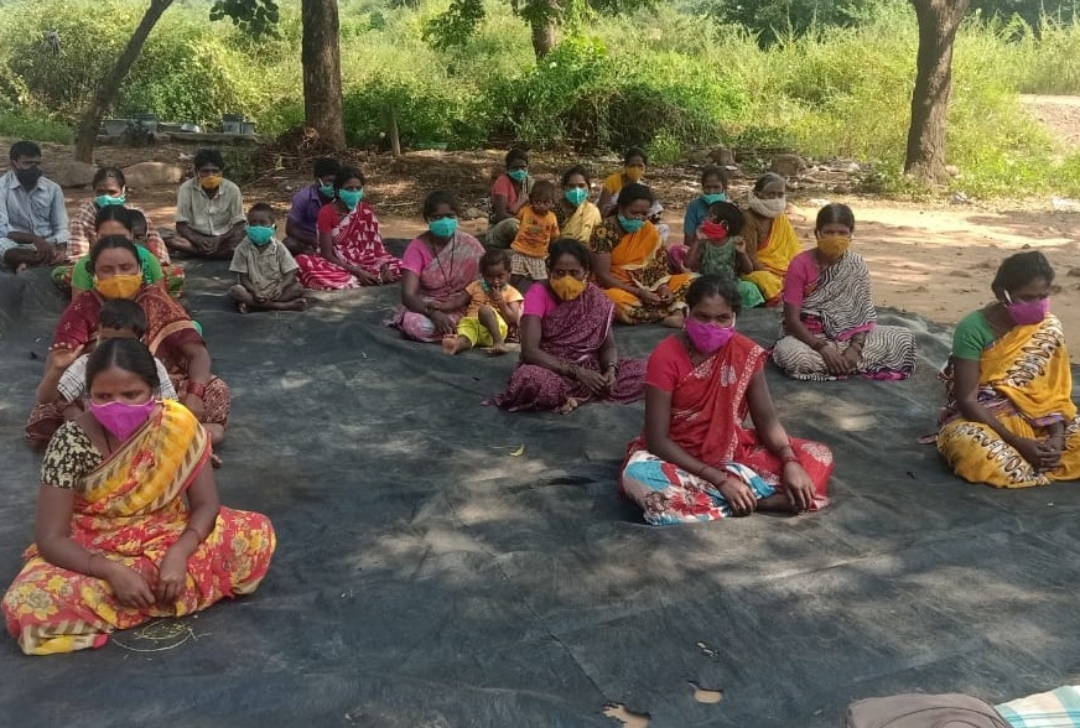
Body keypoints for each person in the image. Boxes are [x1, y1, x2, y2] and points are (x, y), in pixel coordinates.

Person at [3, 338, 275, 655]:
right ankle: (160, 592)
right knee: (26, 603)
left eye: (131, 394)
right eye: (103, 396)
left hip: (166, 535)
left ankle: (138, 595)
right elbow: (51, 538)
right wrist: (111, 571)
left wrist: (179, 554)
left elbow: (205, 506)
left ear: (153, 391)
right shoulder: (69, 441)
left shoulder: (177, 423)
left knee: (255, 533)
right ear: (88, 395)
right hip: (95, 545)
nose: (118, 404)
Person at [621, 275, 833, 525]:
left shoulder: (745, 352)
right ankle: (759, 501)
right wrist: (719, 480)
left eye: (722, 318)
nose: (712, 326)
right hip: (675, 458)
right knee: (639, 478)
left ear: (734, 318)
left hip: (730, 452)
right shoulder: (665, 356)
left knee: (818, 455)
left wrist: (790, 461)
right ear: (687, 313)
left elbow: (766, 419)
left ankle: (724, 500)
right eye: (702, 316)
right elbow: (657, 440)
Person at [48, 236, 231, 448]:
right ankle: (178, 442)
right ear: (94, 273)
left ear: (140, 269)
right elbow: (61, 369)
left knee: (216, 389)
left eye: (126, 268)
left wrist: (195, 396)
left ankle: (107, 444)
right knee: (53, 403)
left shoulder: (156, 300)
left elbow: (197, 353)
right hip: (96, 393)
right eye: (107, 270)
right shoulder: (83, 307)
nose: (118, 276)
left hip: (150, 391)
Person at [934, 251, 1080, 488]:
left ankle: (1041, 458)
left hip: (1042, 421)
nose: (1038, 306)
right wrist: (1017, 442)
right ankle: (1036, 462)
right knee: (970, 448)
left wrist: (1057, 436)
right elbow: (968, 400)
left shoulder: (1048, 327)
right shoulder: (973, 327)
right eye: (1027, 298)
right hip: (986, 419)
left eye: (1043, 297)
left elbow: (1053, 395)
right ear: (1002, 293)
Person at [487, 239, 646, 413]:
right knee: (531, 381)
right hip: (550, 368)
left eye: (574, 273)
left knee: (648, 372)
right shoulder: (538, 293)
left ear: (586, 272)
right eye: (560, 272)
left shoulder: (595, 298)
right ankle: (571, 397)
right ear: (549, 271)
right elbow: (530, 351)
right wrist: (577, 373)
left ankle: (576, 398)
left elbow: (608, 345)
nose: (566, 279)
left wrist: (610, 370)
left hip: (591, 369)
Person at [772, 204, 916, 381]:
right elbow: (792, 320)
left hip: (849, 338)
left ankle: (844, 363)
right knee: (789, 354)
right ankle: (846, 365)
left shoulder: (856, 264)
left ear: (851, 235)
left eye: (842, 233)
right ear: (817, 233)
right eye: (829, 232)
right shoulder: (800, 265)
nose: (835, 238)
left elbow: (862, 315)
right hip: (809, 339)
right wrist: (823, 348)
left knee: (903, 338)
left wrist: (855, 349)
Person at [32, 299, 178, 432]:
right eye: (106, 339)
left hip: (143, 434)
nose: (113, 347)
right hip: (97, 434)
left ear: (141, 340)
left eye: (123, 341)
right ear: (98, 335)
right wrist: (58, 369)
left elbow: (171, 407)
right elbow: (46, 398)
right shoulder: (87, 363)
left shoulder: (152, 365)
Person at [589, 183, 693, 326]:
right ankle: (673, 310)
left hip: (651, 285)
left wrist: (663, 288)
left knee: (693, 280)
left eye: (644, 214)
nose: (639, 219)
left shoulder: (648, 229)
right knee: (613, 301)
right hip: (618, 287)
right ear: (620, 208)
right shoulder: (603, 231)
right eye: (634, 213)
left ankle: (674, 311)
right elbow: (603, 276)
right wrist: (639, 292)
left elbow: (658, 265)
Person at [392, 190, 486, 342]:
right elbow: (408, 296)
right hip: (429, 306)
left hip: (465, 303)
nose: (445, 221)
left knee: (492, 314)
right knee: (417, 325)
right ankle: (468, 334)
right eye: (437, 217)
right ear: (427, 219)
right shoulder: (417, 248)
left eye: (450, 216)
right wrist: (434, 314)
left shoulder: (469, 244)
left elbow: (486, 279)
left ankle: (464, 331)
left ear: (457, 217)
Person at [295, 165, 400, 290]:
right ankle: (363, 277)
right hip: (338, 262)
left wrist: (384, 267)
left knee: (402, 266)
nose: (354, 192)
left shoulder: (365, 210)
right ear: (338, 190)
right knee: (302, 262)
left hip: (366, 260)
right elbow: (327, 254)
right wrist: (357, 271)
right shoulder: (326, 212)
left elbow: (377, 249)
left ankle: (367, 277)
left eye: (358, 188)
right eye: (349, 189)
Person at [56, 206, 181, 299]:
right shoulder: (84, 267)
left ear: (131, 235)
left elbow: (160, 302)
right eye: (106, 269)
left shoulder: (148, 260)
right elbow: (79, 310)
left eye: (125, 268)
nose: (113, 243)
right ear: (96, 236)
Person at [64, 166, 170, 266]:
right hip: (98, 268)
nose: (106, 196)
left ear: (123, 190)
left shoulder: (136, 213)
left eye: (112, 192)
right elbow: (77, 257)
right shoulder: (85, 214)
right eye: (100, 192)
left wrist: (159, 266)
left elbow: (155, 242)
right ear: (93, 190)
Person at [0, 140, 69, 271]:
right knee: (2, 246)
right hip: (17, 245)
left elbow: (61, 226)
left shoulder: (53, 189)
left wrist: (61, 249)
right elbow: (3, 229)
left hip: (48, 243)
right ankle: (37, 261)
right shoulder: (2, 189)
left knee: (71, 246)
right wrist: (35, 240)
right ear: (13, 164)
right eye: (27, 163)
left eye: (37, 163)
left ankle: (30, 262)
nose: (34, 168)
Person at [443, 249, 523, 356]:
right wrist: (439, 306)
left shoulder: (511, 292)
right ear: (483, 275)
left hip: (495, 331)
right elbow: (458, 302)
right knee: (465, 334)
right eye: (490, 276)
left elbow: (512, 319)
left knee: (485, 310)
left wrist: (501, 302)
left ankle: (499, 343)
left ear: (509, 274)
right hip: (472, 324)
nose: (495, 281)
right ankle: (456, 344)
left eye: (500, 276)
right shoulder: (476, 285)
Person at [228, 203, 306, 313]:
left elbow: (291, 272)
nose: (258, 227)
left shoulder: (279, 247)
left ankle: (253, 305)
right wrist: (255, 291)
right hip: (251, 291)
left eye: (263, 223)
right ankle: (282, 306)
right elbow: (243, 277)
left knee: (298, 288)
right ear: (248, 225)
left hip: (275, 291)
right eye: (253, 224)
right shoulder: (242, 248)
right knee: (235, 291)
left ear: (273, 225)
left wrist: (281, 287)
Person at [684, 201, 764, 308]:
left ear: (724, 224)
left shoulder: (735, 243)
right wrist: (697, 241)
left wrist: (742, 253)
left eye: (710, 216)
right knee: (688, 282)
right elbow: (687, 264)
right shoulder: (704, 242)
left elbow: (748, 270)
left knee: (749, 288)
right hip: (706, 285)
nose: (705, 219)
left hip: (731, 285)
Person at [169, 148, 246, 259]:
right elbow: (181, 224)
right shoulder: (186, 188)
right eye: (205, 171)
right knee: (165, 236)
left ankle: (197, 253)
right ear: (196, 172)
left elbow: (240, 223)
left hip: (224, 238)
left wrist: (220, 239)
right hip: (195, 237)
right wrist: (198, 240)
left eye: (215, 171)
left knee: (247, 236)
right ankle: (218, 254)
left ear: (221, 172)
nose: (211, 175)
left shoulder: (232, 189)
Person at [740, 172, 801, 305]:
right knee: (766, 280)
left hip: (783, 270)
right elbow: (750, 259)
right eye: (771, 194)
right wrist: (777, 277)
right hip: (755, 270)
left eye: (780, 195)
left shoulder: (780, 217)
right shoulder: (748, 219)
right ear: (758, 194)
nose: (776, 199)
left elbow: (793, 252)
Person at [509, 179, 560, 290]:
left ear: (552, 203)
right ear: (532, 201)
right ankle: (510, 293)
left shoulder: (552, 218)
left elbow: (554, 236)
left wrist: (552, 255)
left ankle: (541, 297)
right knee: (515, 275)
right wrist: (523, 200)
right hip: (521, 250)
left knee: (541, 280)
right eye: (538, 202)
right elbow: (513, 210)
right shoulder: (527, 211)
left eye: (546, 202)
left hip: (538, 254)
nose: (541, 205)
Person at [284, 157, 339, 255]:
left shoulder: (341, 197)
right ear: (317, 180)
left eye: (336, 181)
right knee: (289, 243)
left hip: (334, 240)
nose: (333, 185)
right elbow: (290, 229)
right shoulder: (303, 197)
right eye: (329, 181)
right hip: (309, 241)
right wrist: (313, 240)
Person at [486, 149, 534, 249]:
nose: (520, 171)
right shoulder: (503, 182)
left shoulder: (528, 181)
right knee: (512, 225)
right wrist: (524, 222)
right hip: (499, 229)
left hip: (525, 222)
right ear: (507, 168)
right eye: (515, 168)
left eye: (523, 167)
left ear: (528, 167)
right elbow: (500, 215)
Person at [682, 166, 731, 249]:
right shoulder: (694, 206)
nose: (712, 192)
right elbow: (688, 240)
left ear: (724, 188)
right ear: (703, 187)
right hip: (699, 251)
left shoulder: (730, 207)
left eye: (716, 187)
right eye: (708, 187)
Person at [554, 165, 602, 245]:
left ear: (588, 188)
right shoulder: (555, 210)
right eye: (571, 186)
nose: (577, 190)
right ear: (564, 188)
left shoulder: (592, 211)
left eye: (581, 186)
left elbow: (597, 242)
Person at [597, 148, 647, 217]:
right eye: (632, 165)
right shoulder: (613, 180)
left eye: (640, 166)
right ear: (626, 167)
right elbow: (602, 209)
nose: (636, 169)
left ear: (645, 168)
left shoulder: (643, 189)